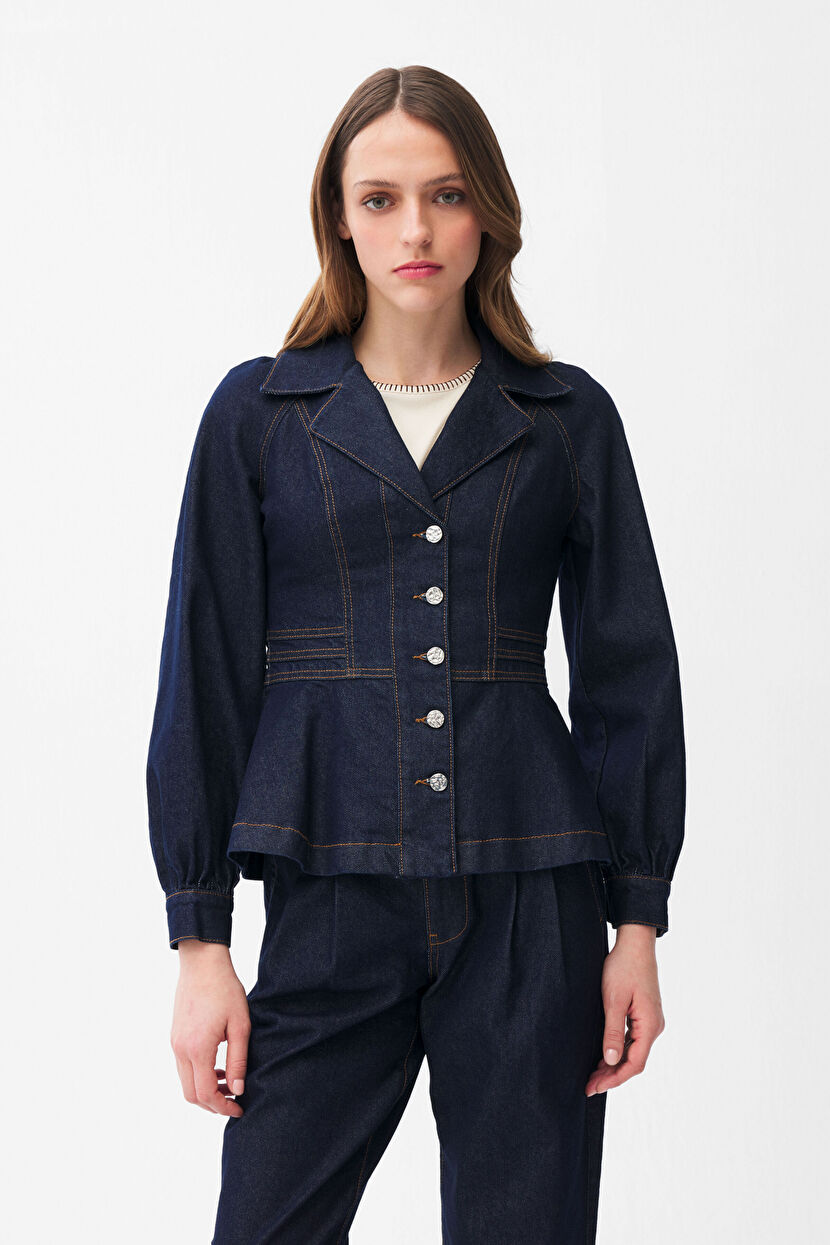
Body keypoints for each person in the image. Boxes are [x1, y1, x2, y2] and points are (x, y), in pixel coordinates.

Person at [146, 65, 686, 1245]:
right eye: (379, 198)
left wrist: (635, 926)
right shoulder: (259, 417)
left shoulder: (562, 419)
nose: (415, 230)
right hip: (326, 891)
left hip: (531, 898)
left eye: (444, 194)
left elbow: (627, 674)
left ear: (486, 209)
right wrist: (200, 940)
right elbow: (206, 676)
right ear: (338, 217)